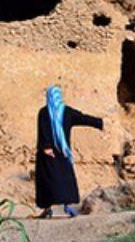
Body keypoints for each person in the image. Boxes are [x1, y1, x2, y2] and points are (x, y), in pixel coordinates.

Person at [35, 85, 104, 218]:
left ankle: (57, 208)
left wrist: (46, 147)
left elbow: (82, 118)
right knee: (58, 180)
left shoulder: (48, 112)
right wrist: (99, 122)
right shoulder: (61, 112)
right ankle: (56, 208)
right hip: (57, 152)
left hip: (53, 153)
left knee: (54, 181)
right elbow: (82, 118)